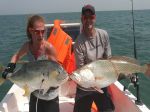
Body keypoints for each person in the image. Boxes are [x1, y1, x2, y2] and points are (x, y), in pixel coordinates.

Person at [2, 15, 59, 112]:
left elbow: (56, 72)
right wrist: (9, 69)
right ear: (30, 31)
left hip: (50, 96)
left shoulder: (49, 48)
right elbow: (16, 56)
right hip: (34, 92)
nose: (41, 35)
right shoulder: (27, 46)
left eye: (43, 31)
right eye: (37, 32)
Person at [73, 4, 115, 112]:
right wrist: (91, 83)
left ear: (94, 18)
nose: (88, 20)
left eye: (90, 17)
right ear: (82, 19)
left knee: (109, 110)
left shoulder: (103, 35)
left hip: (101, 81)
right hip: (85, 85)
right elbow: (81, 69)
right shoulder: (78, 42)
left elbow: (109, 60)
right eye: (85, 18)